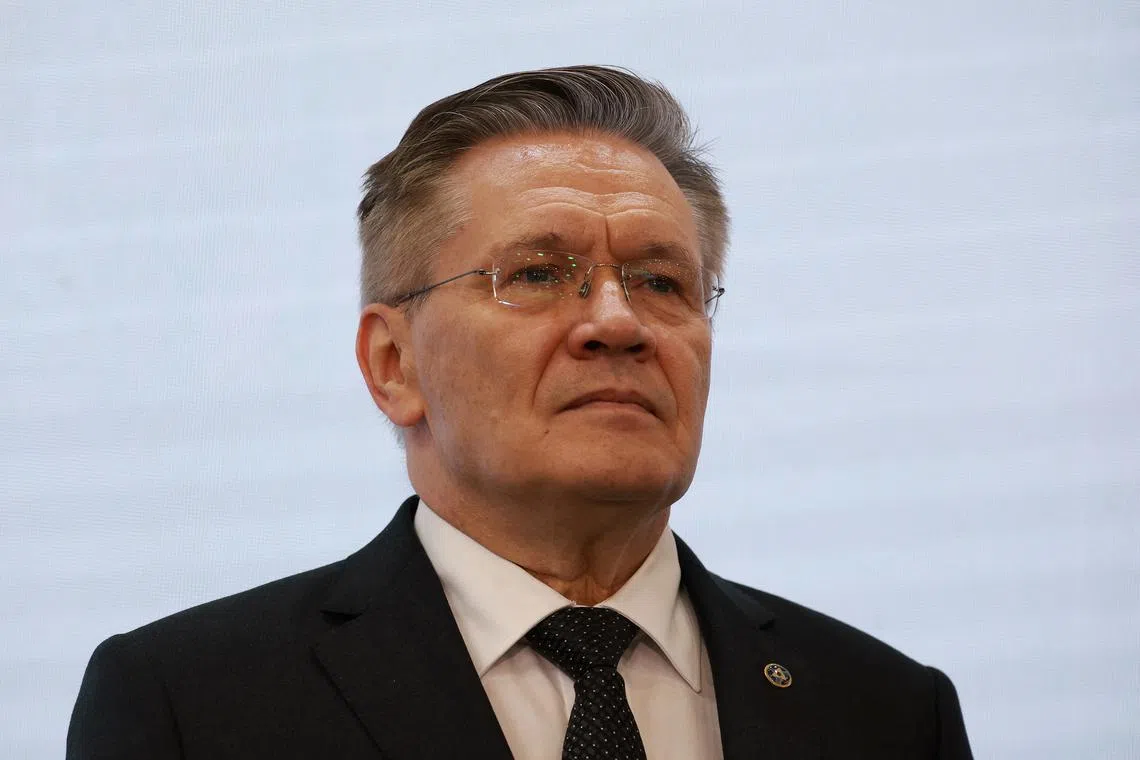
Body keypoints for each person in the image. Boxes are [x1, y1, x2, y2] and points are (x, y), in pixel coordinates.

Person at [67, 65, 973, 759]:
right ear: (394, 364)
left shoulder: (887, 711)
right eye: (537, 275)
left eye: (662, 282)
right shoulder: (190, 704)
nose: (617, 322)